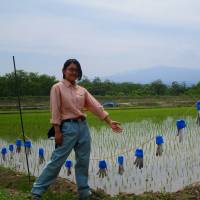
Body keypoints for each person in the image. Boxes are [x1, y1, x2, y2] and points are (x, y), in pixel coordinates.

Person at [31, 59, 123, 200]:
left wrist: (109, 122)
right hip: (67, 128)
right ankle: (37, 192)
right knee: (57, 160)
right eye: (71, 69)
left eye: (76, 70)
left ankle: (84, 193)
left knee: (83, 161)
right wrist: (57, 131)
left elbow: (95, 106)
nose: (73, 72)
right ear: (64, 71)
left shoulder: (82, 90)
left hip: (83, 127)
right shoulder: (57, 87)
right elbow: (55, 111)